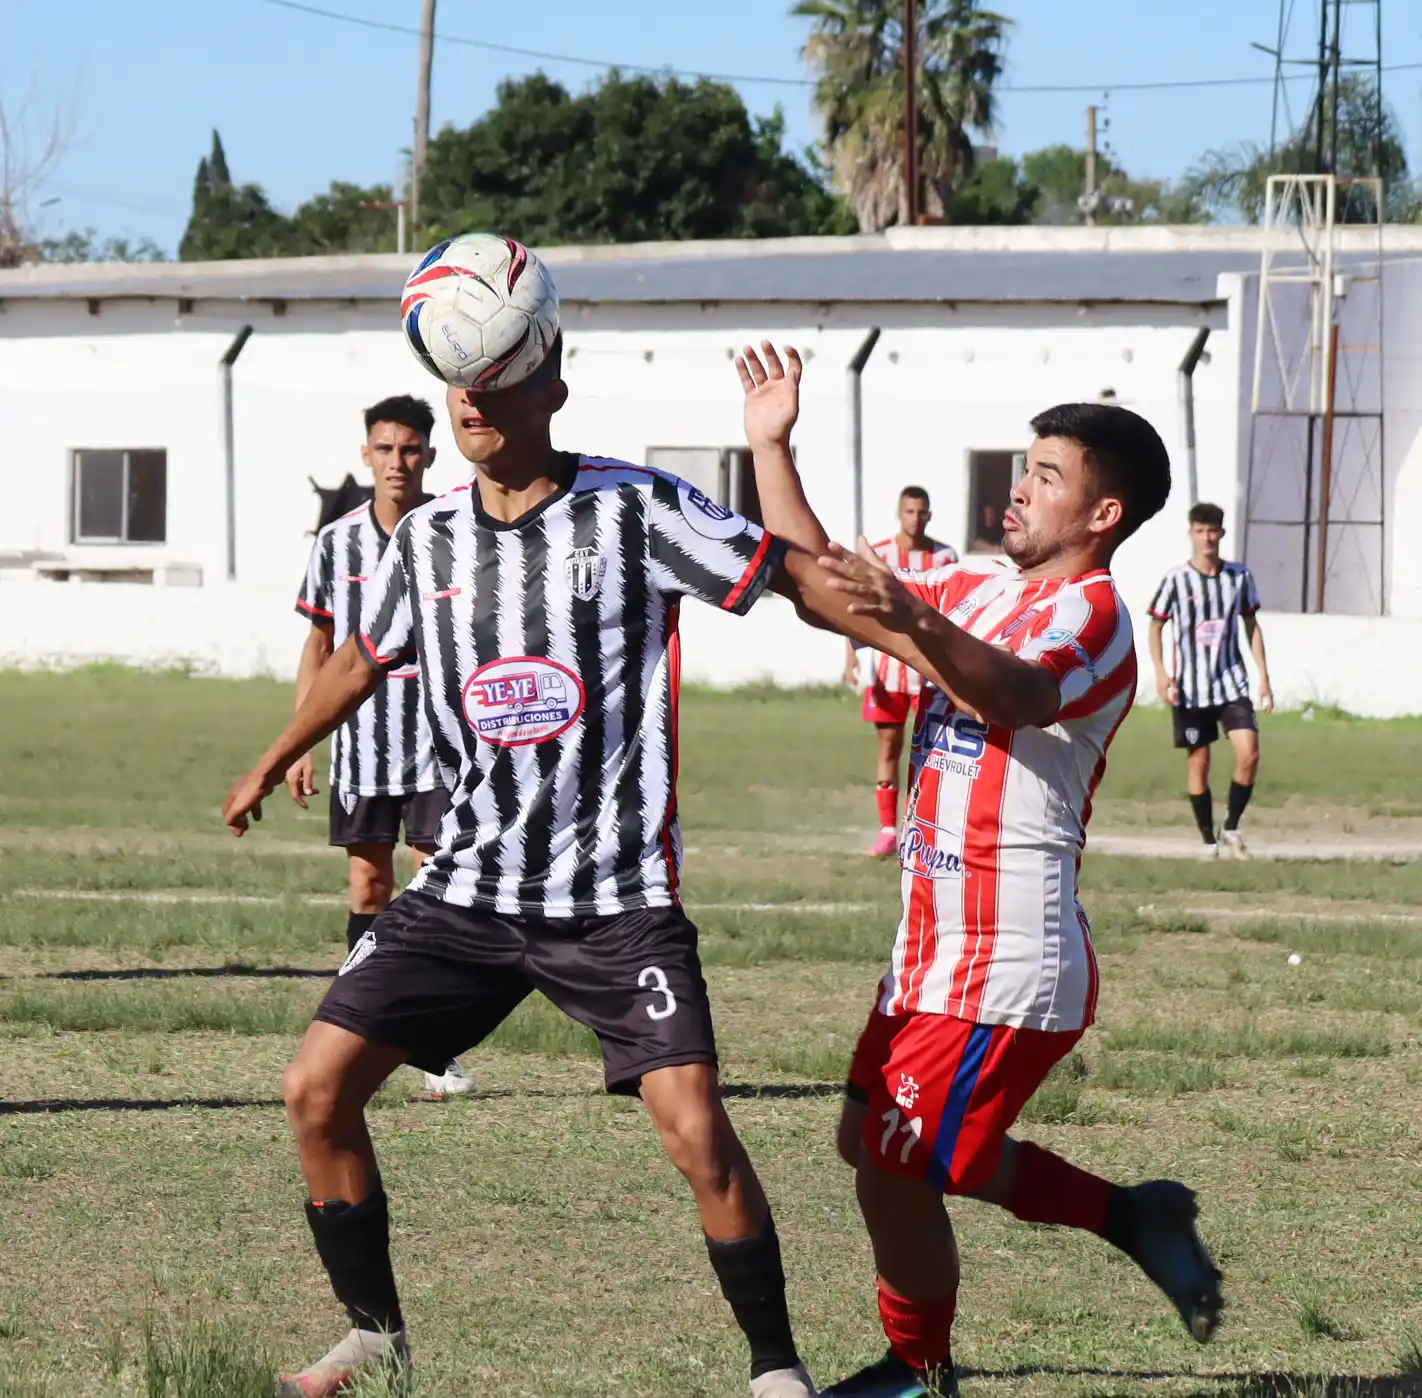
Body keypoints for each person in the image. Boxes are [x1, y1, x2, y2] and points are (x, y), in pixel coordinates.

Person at [222, 311, 934, 1397]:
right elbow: (364, 658)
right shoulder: (429, 540)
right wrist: (273, 757)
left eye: (493, 380)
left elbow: (789, 578)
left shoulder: (635, 510)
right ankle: (373, 1337)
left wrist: (927, 646)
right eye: (455, 381)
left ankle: (775, 1370)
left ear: (550, 389)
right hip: (464, 887)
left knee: (697, 1131)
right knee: (315, 1091)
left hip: (614, 896)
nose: (468, 402)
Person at [735, 342, 1224, 1398]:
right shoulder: (973, 584)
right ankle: (1132, 1216)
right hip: (931, 950)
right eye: (1027, 466)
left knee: (908, 1161)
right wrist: (774, 448)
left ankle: (918, 1373)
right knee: (875, 1146)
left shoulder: (1092, 614)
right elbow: (817, 577)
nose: (1022, 487)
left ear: (1103, 514)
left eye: (1050, 475)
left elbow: (1017, 696)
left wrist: (909, 619)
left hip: (1010, 956)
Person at [289, 395, 471, 1101]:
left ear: (430, 454)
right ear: (366, 454)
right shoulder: (337, 542)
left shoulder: (452, 530)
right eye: (385, 448)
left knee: (435, 888)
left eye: (411, 449)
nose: (399, 462)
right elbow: (319, 644)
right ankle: (359, 1028)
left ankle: (435, 1047)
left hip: (442, 747)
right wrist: (303, 741)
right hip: (362, 748)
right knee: (370, 886)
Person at [1148, 502, 1273, 859]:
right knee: (1199, 763)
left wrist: (1263, 676)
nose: (1207, 537)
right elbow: (1156, 625)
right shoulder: (1176, 579)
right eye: (1201, 531)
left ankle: (1231, 826)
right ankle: (1208, 841)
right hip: (1191, 688)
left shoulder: (1239, 577)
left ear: (1221, 534)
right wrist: (1161, 672)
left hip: (1231, 683)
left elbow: (1251, 625)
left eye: (1213, 531)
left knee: (1249, 754)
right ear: (1192, 534)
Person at [845, 488, 958, 857]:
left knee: (929, 751)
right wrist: (852, 655)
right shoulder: (881, 554)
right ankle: (888, 830)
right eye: (910, 511)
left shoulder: (944, 557)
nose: (915, 518)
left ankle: (920, 829)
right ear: (899, 512)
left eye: (922, 512)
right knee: (888, 744)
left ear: (929, 515)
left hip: (928, 669)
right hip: (889, 668)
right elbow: (859, 607)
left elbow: (952, 608)